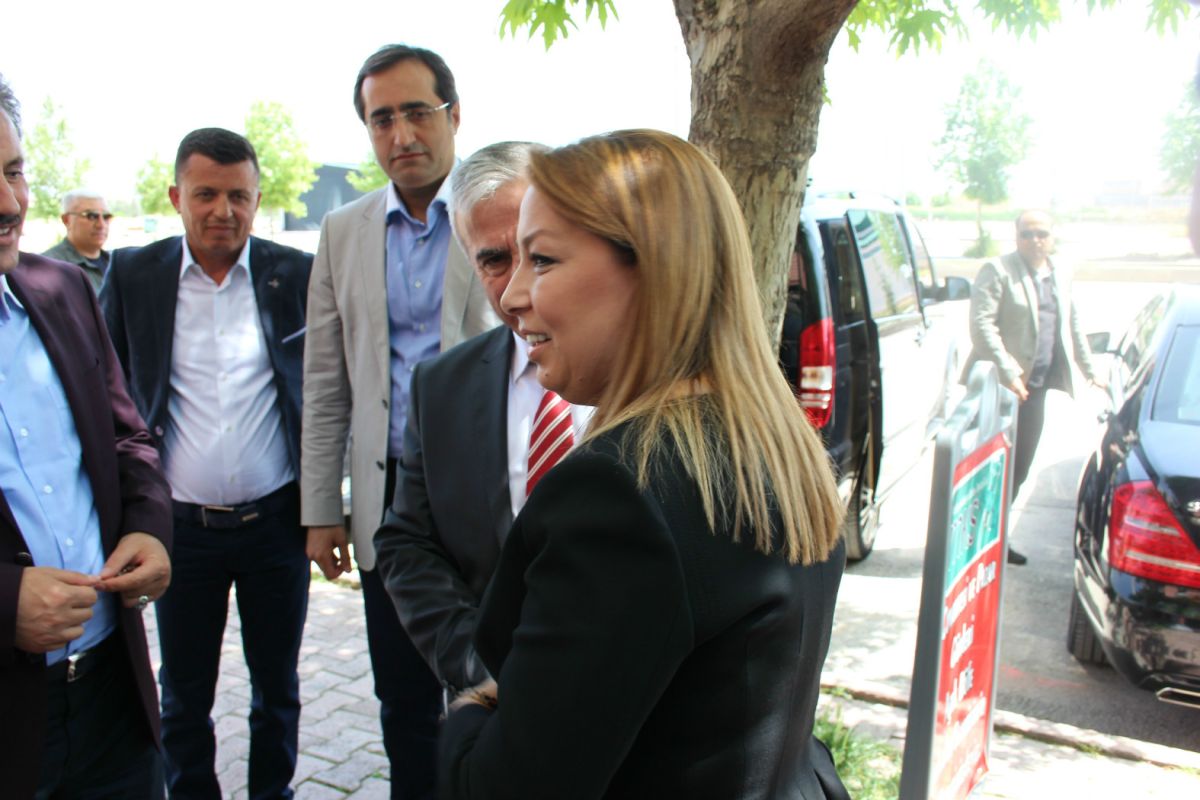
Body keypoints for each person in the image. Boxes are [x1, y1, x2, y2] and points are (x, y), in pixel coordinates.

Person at [438, 129, 849, 800]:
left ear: (654, 269)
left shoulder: (618, 493)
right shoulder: (771, 440)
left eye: (542, 259)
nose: (512, 296)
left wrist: (472, 711)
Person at [300, 44, 496, 799]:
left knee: (495, 689)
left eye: (418, 111)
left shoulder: (506, 208)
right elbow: (327, 381)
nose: (402, 134)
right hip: (391, 508)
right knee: (403, 700)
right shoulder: (343, 230)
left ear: (455, 114)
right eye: (382, 119)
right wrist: (322, 508)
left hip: (492, 497)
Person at [100, 127, 313, 799]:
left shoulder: (296, 274)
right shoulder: (133, 275)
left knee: (277, 688)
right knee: (184, 694)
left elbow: (323, 389)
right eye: (206, 195)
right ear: (176, 197)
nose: (224, 210)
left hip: (276, 525)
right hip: (179, 532)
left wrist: (324, 511)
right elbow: (106, 395)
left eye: (239, 196)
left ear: (257, 200)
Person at [0, 74, 172, 800]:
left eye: (14, 171)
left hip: (111, 696)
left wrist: (150, 526)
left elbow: (127, 439)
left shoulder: (63, 290)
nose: (10, 204)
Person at [373, 141, 588, 696]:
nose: (520, 287)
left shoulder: (651, 377)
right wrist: (480, 670)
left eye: (539, 253)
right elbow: (407, 542)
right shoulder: (440, 387)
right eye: (494, 260)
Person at [964, 210, 1100, 565]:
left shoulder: (1059, 272)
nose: (1035, 240)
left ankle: (994, 539)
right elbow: (981, 326)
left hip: (1034, 392)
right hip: (1000, 391)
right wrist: (1009, 371)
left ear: (1052, 237)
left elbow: (1072, 324)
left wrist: (1090, 369)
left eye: (1041, 234)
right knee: (989, 468)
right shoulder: (998, 270)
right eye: (1027, 234)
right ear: (1016, 237)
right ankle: (973, 542)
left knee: (1018, 469)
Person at [41, 189, 113, 293]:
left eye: (106, 217)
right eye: (91, 216)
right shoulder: (48, 267)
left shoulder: (115, 263)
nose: (101, 225)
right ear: (67, 220)